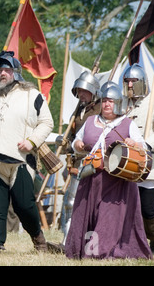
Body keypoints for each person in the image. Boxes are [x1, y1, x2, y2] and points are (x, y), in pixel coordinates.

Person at [65, 85, 152, 259]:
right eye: (104, 101)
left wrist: (133, 144)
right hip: (91, 177)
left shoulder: (127, 123)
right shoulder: (91, 121)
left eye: (111, 101)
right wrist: (78, 145)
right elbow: (77, 141)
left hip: (117, 182)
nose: (106, 105)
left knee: (108, 218)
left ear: (118, 104)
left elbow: (143, 145)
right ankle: (84, 250)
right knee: (86, 215)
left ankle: (101, 252)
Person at [0, 51, 54, 253]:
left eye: (6, 69)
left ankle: (39, 240)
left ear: (16, 72)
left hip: (20, 159)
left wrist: (32, 141)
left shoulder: (32, 95)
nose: (2, 73)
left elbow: (47, 122)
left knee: (24, 205)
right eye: (0, 70)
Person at [51, 71, 101, 252]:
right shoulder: (79, 110)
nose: (81, 94)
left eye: (84, 91)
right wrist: (65, 142)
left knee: (93, 204)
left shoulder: (101, 110)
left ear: (94, 92)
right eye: (78, 91)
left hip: (94, 162)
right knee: (70, 202)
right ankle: (67, 241)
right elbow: (72, 136)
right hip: (76, 161)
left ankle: (92, 244)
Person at [122, 64, 154, 256]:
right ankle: (130, 242)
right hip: (125, 165)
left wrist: (147, 145)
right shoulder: (123, 103)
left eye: (133, 81)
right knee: (126, 205)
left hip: (147, 163)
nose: (130, 84)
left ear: (142, 82)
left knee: (147, 207)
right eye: (127, 81)